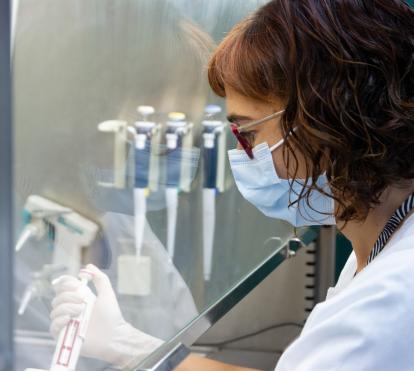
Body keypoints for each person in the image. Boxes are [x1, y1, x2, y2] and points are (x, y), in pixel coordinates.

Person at [50, 0, 414, 370]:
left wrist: (125, 345)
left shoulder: (390, 299)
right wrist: (130, 345)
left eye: (248, 133)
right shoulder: (383, 242)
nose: (243, 155)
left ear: (327, 121)